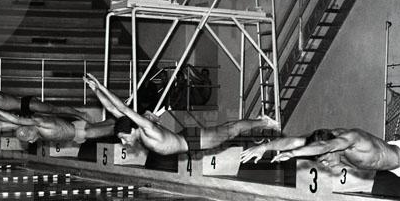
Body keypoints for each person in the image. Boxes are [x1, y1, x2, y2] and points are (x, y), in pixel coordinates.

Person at [84, 72, 280, 156]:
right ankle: (261, 123)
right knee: (228, 129)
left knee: (231, 130)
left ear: (133, 129)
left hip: (191, 142)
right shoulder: (135, 128)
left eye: (124, 138)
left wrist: (102, 86)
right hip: (186, 138)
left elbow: (124, 108)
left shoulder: (147, 128)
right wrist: (96, 91)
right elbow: (113, 110)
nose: (124, 142)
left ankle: (264, 122)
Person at [239, 127, 400, 179]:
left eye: (326, 158)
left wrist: (293, 155)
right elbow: (295, 140)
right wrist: (265, 146)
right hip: (390, 159)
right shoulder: (328, 138)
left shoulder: (349, 139)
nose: (326, 163)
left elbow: (324, 148)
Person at [0, 60, 93, 122]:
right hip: (22, 110)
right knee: (52, 117)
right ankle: (77, 118)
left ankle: (80, 114)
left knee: (55, 110)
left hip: (27, 104)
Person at [0, 101, 115, 144]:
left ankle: (124, 112)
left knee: (114, 129)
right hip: (76, 133)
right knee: (111, 124)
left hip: (81, 131)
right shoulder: (30, 127)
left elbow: (16, 119)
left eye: (28, 139)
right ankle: (119, 115)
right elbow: (1, 125)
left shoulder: (39, 122)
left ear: (30, 131)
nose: (31, 142)